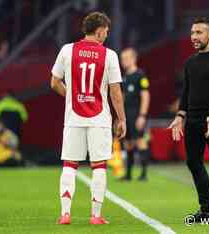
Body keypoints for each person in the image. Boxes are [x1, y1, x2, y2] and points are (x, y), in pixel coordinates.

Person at [50, 12, 126, 225]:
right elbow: (115, 91)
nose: (107, 35)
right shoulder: (109, 55)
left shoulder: (67, 50)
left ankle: (65, 214)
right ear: (100, 30)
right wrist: (122, 119)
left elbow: (54, 82)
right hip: (99, 119)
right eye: (107, 32)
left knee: (69, 165)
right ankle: (96, 216)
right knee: (99, 166)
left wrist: (71, 96)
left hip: (73, 117)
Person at [168, 17, 209, 222]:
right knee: (193, 162)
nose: (194, 37)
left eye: (198, 33)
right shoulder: (189, 63)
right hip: (193, 121)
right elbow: (186, 94)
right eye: (192, 33)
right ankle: (206, 210)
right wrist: (180, 116)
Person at [119, 48, 151, 181]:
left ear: (133, 59)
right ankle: (128, 174)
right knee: (127, 143)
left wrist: (142, 115)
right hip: (126, 114)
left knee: (140, 141)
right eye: (122, 59)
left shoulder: (140, 75)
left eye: (126, 58)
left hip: (137, 114)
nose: (123, 61)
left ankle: (144, 174)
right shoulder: (124, 76)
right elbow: (122, 96)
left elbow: (145, 96)